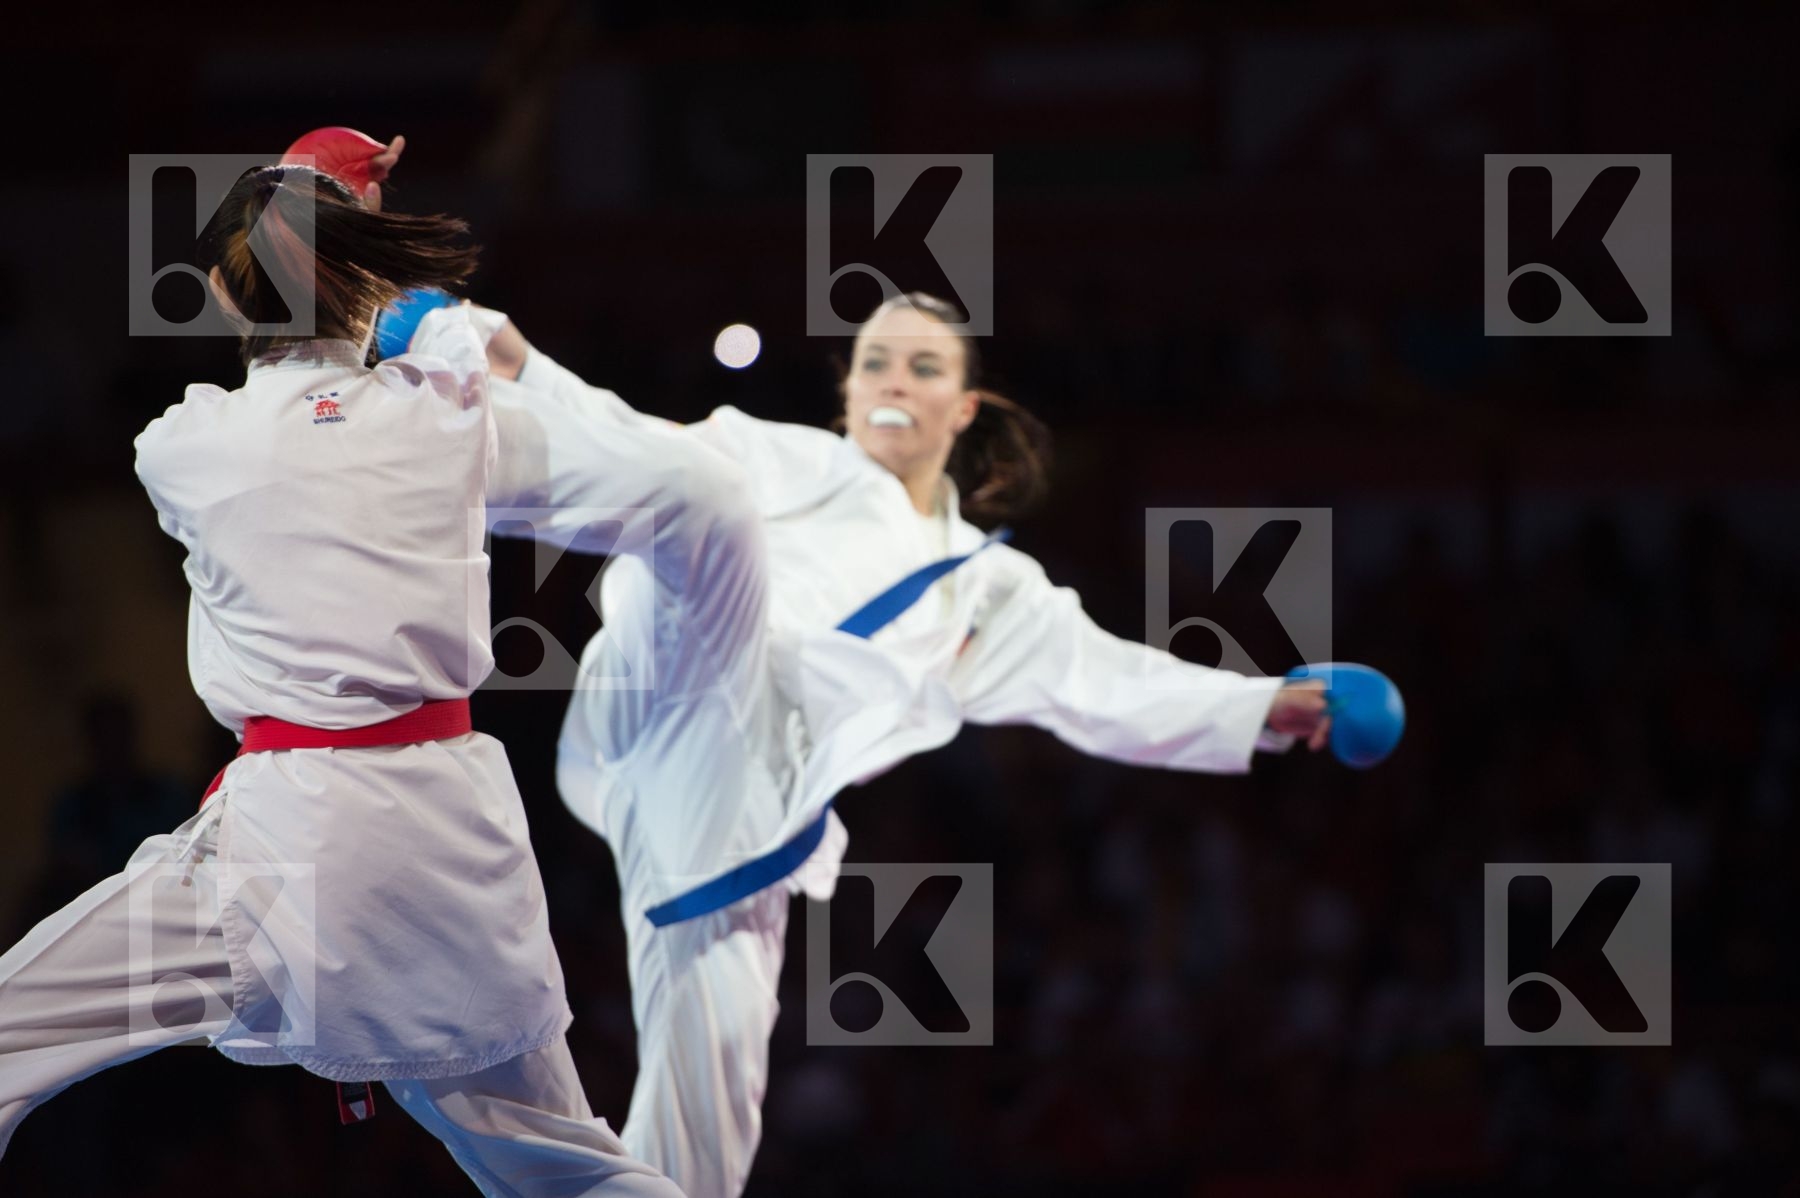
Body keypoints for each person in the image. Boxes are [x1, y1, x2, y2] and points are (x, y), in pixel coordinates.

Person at [466, 291, 1339, 1198]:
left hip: (745, 806)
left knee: (709, 1110)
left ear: (962, 407)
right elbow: (636, 450)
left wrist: (1262, 706)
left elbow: (1107, 681)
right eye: (876, 362)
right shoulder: (785, 455)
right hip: (664, 685)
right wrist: (529, 368)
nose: (895, 381)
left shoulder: (985, 586)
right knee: (698, 491)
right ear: (845, 391)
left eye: (924, 367)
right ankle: (452, 430)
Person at [0, 158, 681, 1197]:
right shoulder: (448, 404)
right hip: (448, 850)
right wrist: (362, 240)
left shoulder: (185, 443)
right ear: (363, 282)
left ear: (227, 292)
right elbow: (452, 329)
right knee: (573, 1174)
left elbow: (291, 342)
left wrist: (322, 216)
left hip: (285, 856)